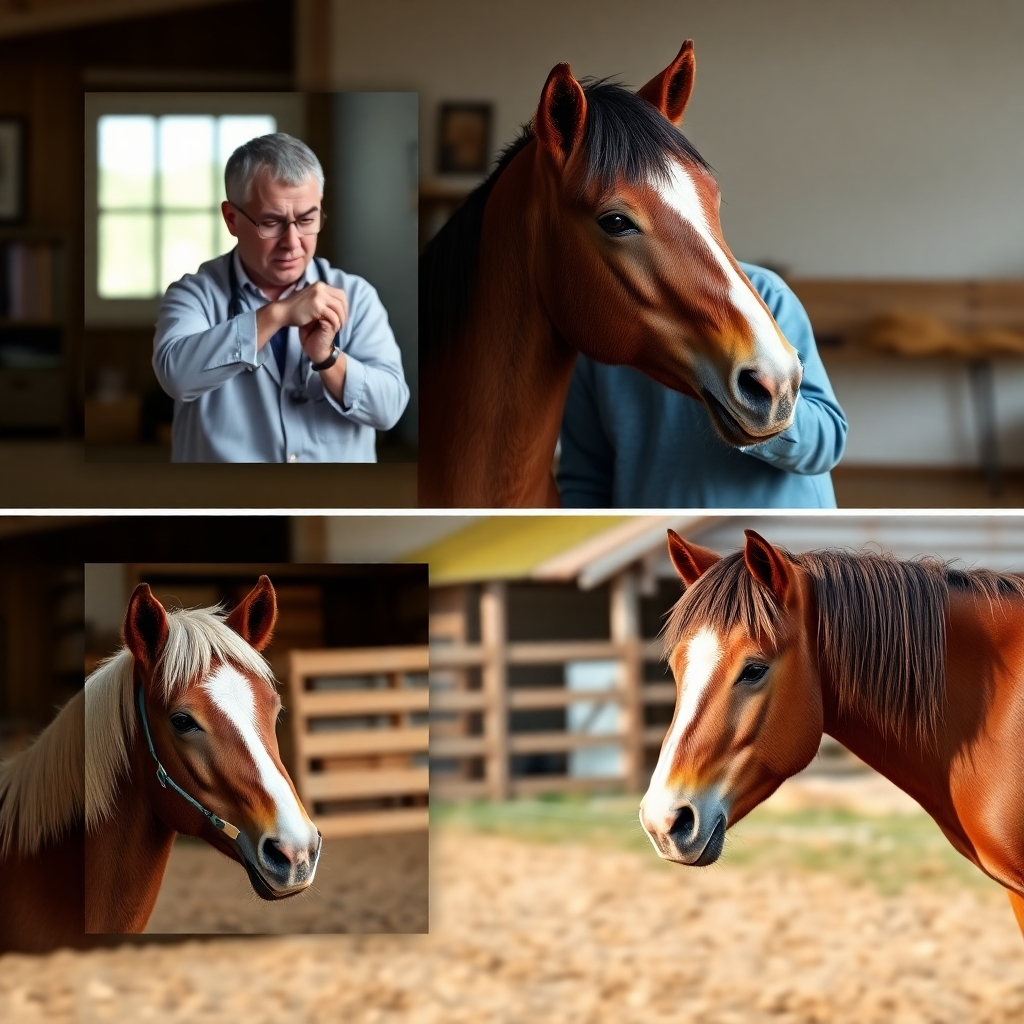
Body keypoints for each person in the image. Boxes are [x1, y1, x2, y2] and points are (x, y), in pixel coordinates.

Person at [153, 133, 409, 463]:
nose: (292, 242)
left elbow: (389, 410)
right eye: (272, 222)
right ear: (232, 218)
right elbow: (176, 376)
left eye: (306, 220)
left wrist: (328, 358)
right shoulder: (194, 295)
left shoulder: (356, 296)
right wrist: (277, 315)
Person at [557, 263, 848, 508]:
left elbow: (828, 442)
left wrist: (753, 409)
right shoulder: (596, 335)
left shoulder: (764, 294)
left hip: (785, 555)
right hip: (658, 556)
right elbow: (586, 481)